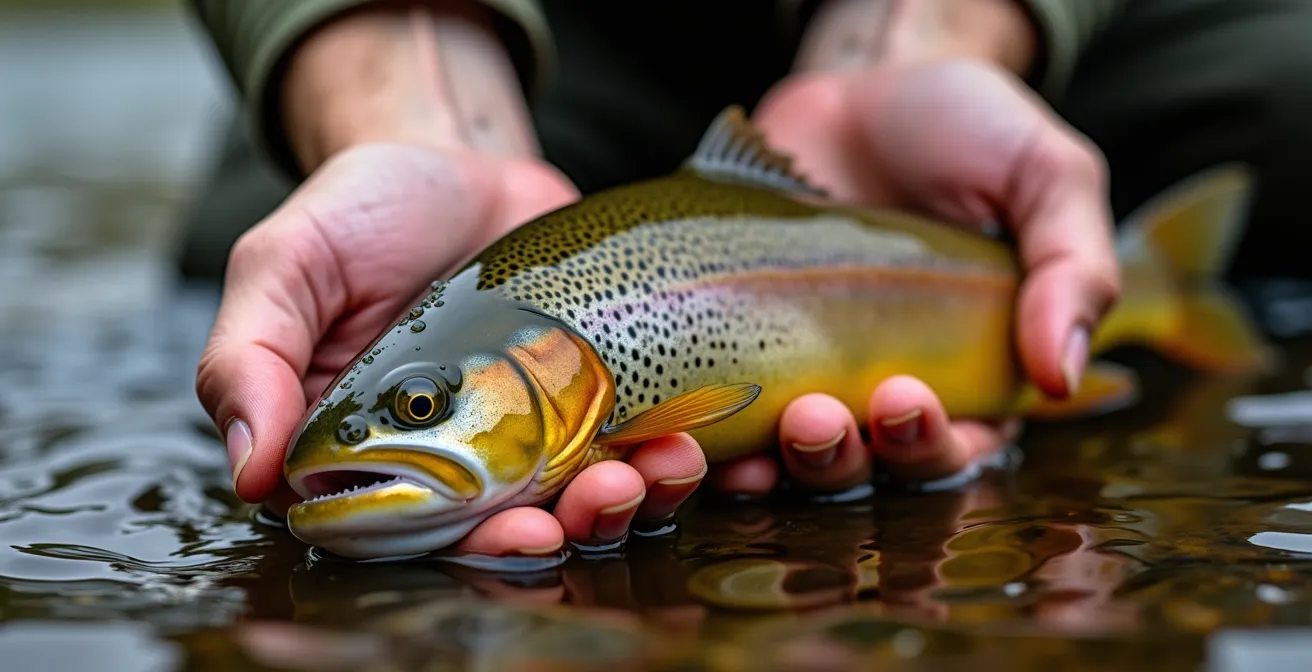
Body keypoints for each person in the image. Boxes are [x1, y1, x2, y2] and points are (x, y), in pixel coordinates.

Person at [182, 0, 1312, 558]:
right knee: (236, 226)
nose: (417, 415)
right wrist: (406, 100)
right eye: (422, 405)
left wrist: (916, 39)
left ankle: (1139, 295)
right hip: (572, 34)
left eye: (424, 405)